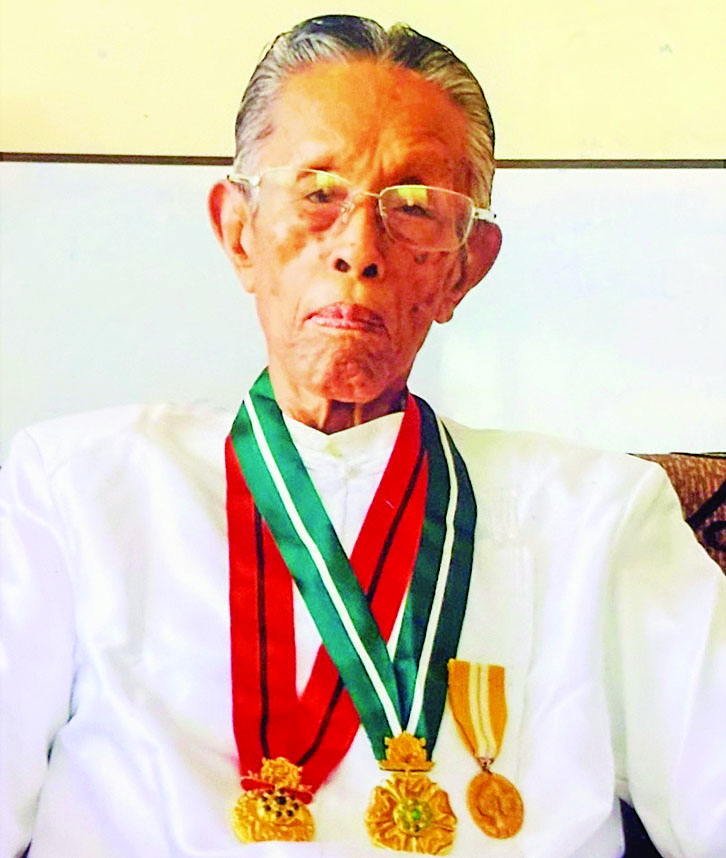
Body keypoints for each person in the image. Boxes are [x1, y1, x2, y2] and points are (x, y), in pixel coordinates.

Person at [1, 14, 724, 858]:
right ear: (239, 233)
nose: (358, 247)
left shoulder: (601, 517)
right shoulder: (75, 488)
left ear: (465, 266)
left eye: (414, 207)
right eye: (317, 194)